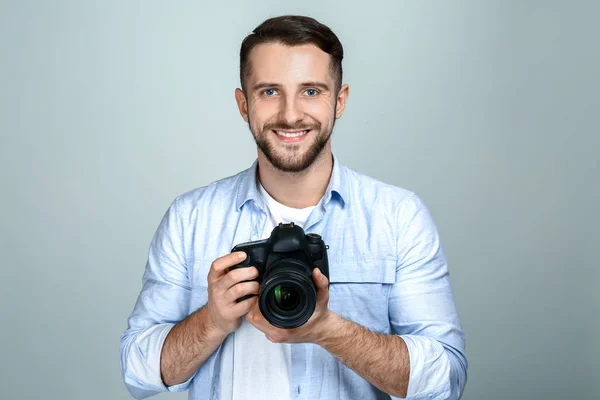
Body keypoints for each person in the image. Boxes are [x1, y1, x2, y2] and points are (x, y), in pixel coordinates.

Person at [120, 14, 467, 400]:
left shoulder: (398, 217)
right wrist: (212, 321)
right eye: (269, 91)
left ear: (340, 101)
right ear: (243, 103)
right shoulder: (190, 218)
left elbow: (446, 380)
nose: (289, 114)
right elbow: (138, 372)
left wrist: (327, 329)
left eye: (311, 91)